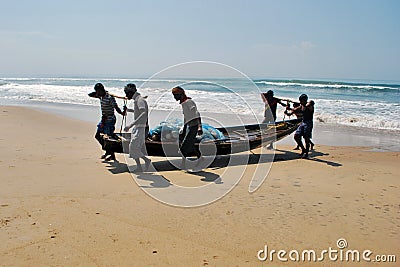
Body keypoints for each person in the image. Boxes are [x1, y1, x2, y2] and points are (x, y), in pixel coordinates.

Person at [89, 83, 125, 161]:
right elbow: (90, 95)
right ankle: (108, 151)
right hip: (104, 120)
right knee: (97, 136)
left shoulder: (110, 98)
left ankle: (112, 155)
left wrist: (122, 113)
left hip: (110, 120)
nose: (97, 93)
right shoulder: (100, 96)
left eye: (98, 91)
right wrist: (96, 94)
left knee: (109, 139)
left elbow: (116, 107)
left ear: (101, 90)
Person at [172, 86, 203, 169]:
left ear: (180, 94)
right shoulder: (183, 103)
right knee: (188, 144)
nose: (174, 97)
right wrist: (184, 127)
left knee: (184, 146)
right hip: (188, 125)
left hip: (194, 126)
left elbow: (197, 114)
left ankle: (186, 163)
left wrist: (200, 127)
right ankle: (196, 158)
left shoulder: (189, 102)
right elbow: (186, 116)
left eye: (175, 95)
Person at [123, 83, 151, 172]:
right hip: (137, 126)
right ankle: (140, 165)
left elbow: (143, 113)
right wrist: (129, 110)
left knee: (133, 147)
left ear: (131, 93)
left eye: (127, 94)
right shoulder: (137, 99)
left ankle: (146, 161)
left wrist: (130, 125)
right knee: (134, 147)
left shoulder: (140, 100)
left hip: (141, 127)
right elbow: (138, 111)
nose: (126, 96)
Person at [286, 94, 314, 159]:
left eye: (301, 101)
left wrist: (306, 104)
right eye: (300, 101)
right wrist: (288, 111)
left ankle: (306, 154)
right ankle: (303, 149)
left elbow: (310, 104)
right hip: (303, 122)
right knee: (296, 136)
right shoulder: (301, 106)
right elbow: (294, 110)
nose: (300, 102)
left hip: (308, 123)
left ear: (305, 100)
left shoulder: (309, 105)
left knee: (306, 139)